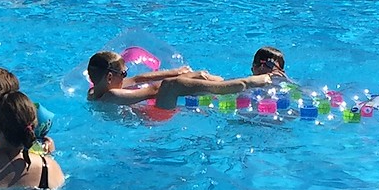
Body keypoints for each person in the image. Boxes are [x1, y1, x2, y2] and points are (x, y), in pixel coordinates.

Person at [84, 50, 279, 110]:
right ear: (110, 77)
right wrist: (186, 76)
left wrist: (175, 70)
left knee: (174, 79)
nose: (126, 77)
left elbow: (140, 78)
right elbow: (153, 90)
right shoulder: (112, 95)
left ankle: (219, 83)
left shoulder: (95, 91)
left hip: (144, 110)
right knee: (173, 85)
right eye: (123, 74)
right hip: (154, 119)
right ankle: (244, 83)